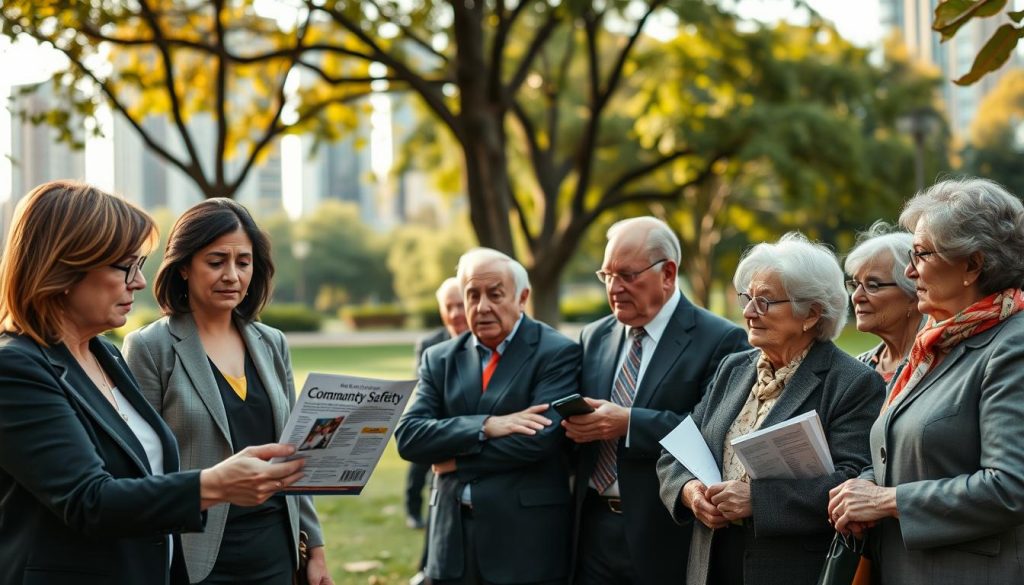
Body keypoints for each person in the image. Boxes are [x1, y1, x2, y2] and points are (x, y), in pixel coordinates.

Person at [0, 181, 305, 585]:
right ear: (64, 268)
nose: (138, 282)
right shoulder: (15, 368)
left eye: (139, 266)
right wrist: (214, 484)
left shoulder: (103, 354)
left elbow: (144, 478)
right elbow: (89, 501)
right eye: (124, 266)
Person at [122, 198, 331, 585]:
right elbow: (139, 470)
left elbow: (294, 453)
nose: (232, 275)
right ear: (183, 266)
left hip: (275, 548)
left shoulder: (272, 343)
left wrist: (314, 548)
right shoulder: (150, 347)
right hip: (191, 553)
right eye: (216, 262)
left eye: (243, 262)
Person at [657, 232, 884, 585]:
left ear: (811, 313)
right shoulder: (734, 368)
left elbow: (853, 481)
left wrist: (756, 501)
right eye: (747, 297)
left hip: (791, 568)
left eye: (764, 301)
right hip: (711, 564)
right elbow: (676, 453)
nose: (748, 312)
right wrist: (689, 492)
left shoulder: (852, 381)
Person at [828, 178, 1024, 584]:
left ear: (972, 264)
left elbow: (1010, 486)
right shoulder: (937, 340)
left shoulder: (1012, 346)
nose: (909, 270)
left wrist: (886, 501)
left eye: (921, 254)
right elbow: (899, 449)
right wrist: (860, 490)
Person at [563, 216, 748, 585]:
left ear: (668, 273)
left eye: (628, 275)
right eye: (607, 276)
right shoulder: (594, 336)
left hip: (664, 529)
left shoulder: (720, 339)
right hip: (592, 529)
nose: (614, 288)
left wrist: (630, 422)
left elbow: (713, 433)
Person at [395, 248, 581, 585]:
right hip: (451, 543)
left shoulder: (557, 353)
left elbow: (538, 441)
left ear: (522, 297)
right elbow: (409, 437)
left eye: (495, 294)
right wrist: (485, 426)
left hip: (524, 543)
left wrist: (456, 461)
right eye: (472, 295)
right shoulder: (439, 358)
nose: (482, 307)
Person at [406, 277, 469, 530]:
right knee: (418, 466)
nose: (455, 313)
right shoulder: (430, 344)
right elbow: (422, 387)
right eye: (448, 306)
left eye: (460, 305)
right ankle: (412, 511)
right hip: (434, 420)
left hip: (461, 426)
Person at [844, 221, 923, 382]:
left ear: (913, 295)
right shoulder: (857, 370)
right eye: (855, 285)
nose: (856, 296)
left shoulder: (936, 366)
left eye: (872, 285)